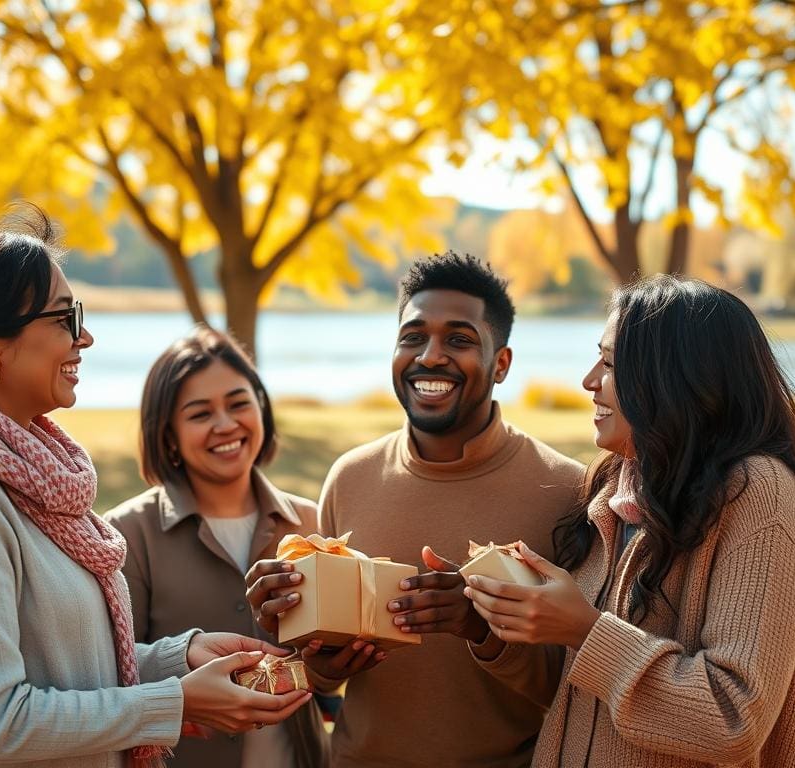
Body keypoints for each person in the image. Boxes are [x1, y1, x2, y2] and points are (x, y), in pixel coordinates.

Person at [0, 209, 312, 768]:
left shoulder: (31, 476)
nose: (86, 336)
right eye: (63, 318)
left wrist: (181, 658)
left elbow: (64, 670)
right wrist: (173, 703)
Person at [460, 275, 795, 767]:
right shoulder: (617, 491)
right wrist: (488, 620)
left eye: (609, 363)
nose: (588, 381)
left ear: (673, 375)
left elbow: (733, 719)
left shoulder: (760, 496)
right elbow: (584, 691)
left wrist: (586, 630)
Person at [247, 252, 585, 767]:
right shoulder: (350, 476)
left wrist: (483, 629)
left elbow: (578, 688)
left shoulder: (565, 490)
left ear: (502, 363)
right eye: (412, 336)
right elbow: (320, 677)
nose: (430, 356)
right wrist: (310, 648)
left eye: (459, 339)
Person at [104, 327, 329, 768]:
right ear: (167, 433)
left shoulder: (312, 523)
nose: (226, 425)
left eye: (239, 403)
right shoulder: (126, 534)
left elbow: (329, 674)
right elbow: (111, 677)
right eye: (200, 413)